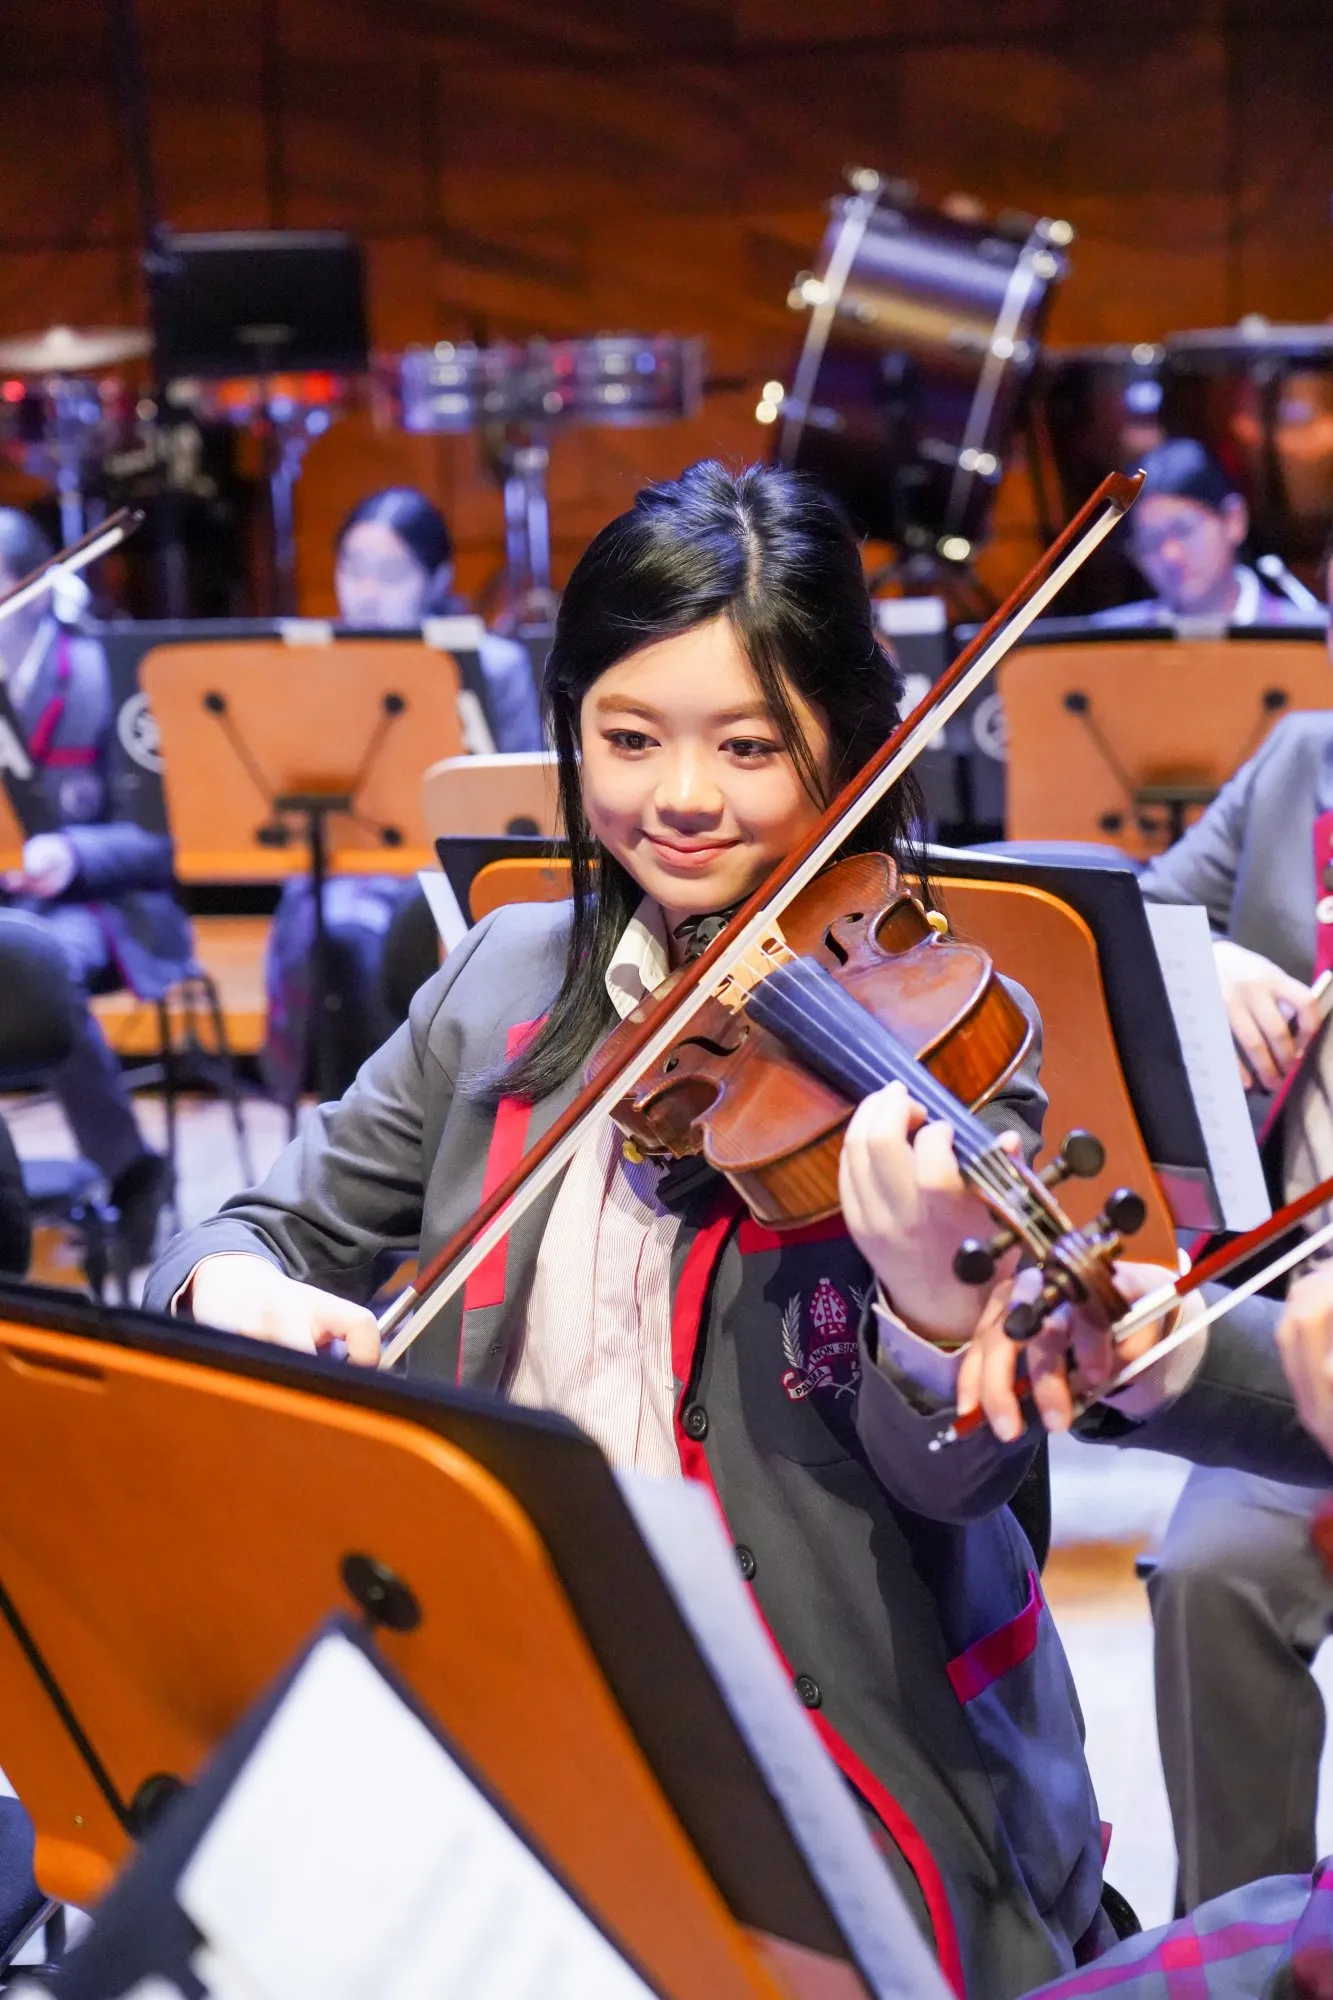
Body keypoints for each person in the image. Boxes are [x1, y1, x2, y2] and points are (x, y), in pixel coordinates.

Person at [142, 459, 1329, 1999]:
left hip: (824, 1756)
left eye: (749, 746)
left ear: (844, 748)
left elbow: (966, 1478)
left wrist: (923, 1310)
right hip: (510, 1698)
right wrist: (242, 1293)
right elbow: (246, 1227)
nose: (680, 798)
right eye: (627, 739)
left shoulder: (944, 1029)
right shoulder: (503, 979)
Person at [1134, 527, 1333, 1911]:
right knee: (1206, 1572)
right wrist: (1207, 962)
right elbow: (1136, 922)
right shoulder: (1297, 766)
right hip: (1294, 1336)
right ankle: (1236, 1947)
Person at [262, 487, 544, 1101]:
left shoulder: (491, 665)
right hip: (350, 870)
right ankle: (353, 1117)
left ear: (437, 577)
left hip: (440, 871)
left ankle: (430, 1114)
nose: (365, 592)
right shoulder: (312, 663)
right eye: (351, 571)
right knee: (330, 932)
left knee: (416, 932)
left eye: (390, 575)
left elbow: (515, 802)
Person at [0, 509, 182, 1266]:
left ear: (37, 589)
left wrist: (70, 855)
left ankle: (128, 1169)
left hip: (105, 906)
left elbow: (164, 834)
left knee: (33, 966)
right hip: (15, 904)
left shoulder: (107, 674)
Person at [1090, 438, 1313, 629]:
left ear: (1234, 520)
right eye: (1151, 541)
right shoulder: (1106, 642)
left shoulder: (1311, 636)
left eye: (1184, 530)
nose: (1170, 555)